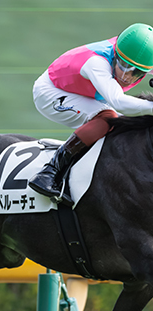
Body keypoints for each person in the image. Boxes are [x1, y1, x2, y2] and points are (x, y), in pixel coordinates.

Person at [28, 23, 153, 204]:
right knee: (108, 119)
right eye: (124, 65)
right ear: (116, 54)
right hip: (51, 92)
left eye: (137, 72)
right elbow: (118, 101)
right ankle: (49, 172)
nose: (127, 76)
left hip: (83, 91)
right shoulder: (97, 63)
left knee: (119, 124)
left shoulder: (136, 58)